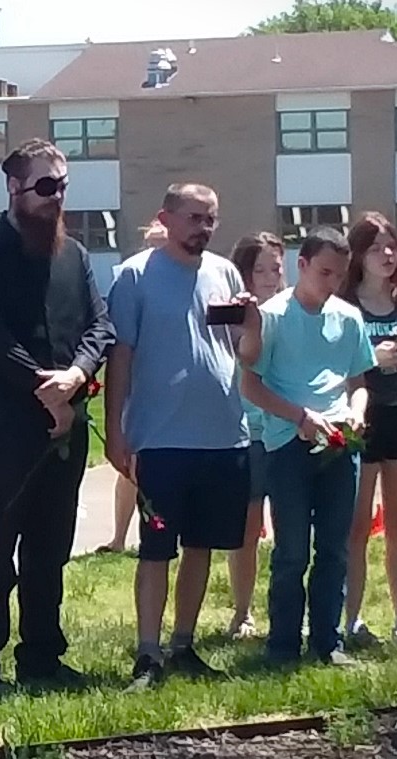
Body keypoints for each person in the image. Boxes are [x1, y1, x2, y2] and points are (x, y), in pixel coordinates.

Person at [0, 139, 115, 691]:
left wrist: (76, 376)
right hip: (7, 425)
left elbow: (100, 325)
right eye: (45, 186)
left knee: (51, 548)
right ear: (14, 188)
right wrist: (45, 388)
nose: (56, 196)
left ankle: (42, 657)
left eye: (62, 186)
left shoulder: (75, 255)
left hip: (68, 421)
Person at [105, 184, 256, 691]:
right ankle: (148, 653)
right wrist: (115, 429)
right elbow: (120, 356)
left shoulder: (225, 273)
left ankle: (183, 645)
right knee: (156, 548)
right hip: (160, 439)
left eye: (210, 219)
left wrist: (253, 323)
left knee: (201, 545)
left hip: (223, 435)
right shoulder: (134, 276)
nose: (204, 228)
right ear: (165, 218)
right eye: (194, 217)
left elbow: (243, 349)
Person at [240, 228, 376, 666]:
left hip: (339, 444)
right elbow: (250, 386)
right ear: (301, 265)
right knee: (292, 550)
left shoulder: (348, 318)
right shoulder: (273, 317)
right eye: (324, 272)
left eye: (339, 275)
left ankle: (327, 642)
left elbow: (359, 382)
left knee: (335, 547)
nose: (332, 282)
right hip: (288, 445)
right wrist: (299, 417)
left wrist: (357, 410)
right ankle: (282, 644)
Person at [341, 212, 397, 649]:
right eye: (376, 248)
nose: (387, 255)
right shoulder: (344, 305)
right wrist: (370, 357)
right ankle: (350, 620)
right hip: (360, 421)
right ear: (358, 255)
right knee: (356, 528)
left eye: (392, 246)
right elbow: (335, 368)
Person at [224, 231, 288, 640]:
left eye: (275, 269)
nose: (268, 277)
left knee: (290, 527)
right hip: (245, 430)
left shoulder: (293, 310)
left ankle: (286, 612)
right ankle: (243, 612)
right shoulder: (233, 314)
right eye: (259, 270)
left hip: (285, 428)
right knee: (246, 527)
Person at [99, 221, 168, 556]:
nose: (156, 249)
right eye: (151, 243)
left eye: (161, 242)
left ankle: (161, 532)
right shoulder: (131, 278)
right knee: (129, 465)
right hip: (136, 385)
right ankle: (119, 536)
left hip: (170, 387)